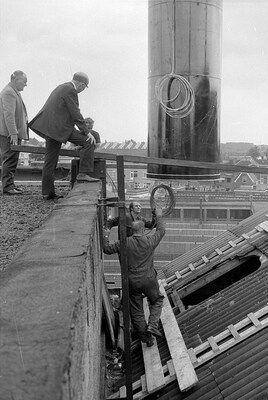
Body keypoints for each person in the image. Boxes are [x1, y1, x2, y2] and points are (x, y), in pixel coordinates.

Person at [29, 72, 99, 200]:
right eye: (84, 87)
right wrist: (87, 132)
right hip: (60, 128)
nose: (83, 90)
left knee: (50, 162)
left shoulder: (61, 87)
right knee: (89, 141)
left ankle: (47, 193)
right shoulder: (71, 90)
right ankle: (83, 174)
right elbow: (75, 113)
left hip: (51, 129)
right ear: (81, 84)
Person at [103, 208, 165, 347]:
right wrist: (159, 216)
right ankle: (153, 325)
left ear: (133, 230)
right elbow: (161, 231)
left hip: (131, 281)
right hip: (148, 279)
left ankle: (147, 339)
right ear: (143, 230)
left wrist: (106, 234)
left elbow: (106, 249)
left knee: (136, 311)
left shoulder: (124, 243)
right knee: (157, 300)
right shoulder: (149, 241)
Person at [0, 71, 28, 195]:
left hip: (11, 133)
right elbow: (9, 115)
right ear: (15, 79)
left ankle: (10, 185)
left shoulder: (13, 92)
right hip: (9, 134)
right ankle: (7, 187)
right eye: (24, 81)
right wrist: (13, 133)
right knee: (10, 159)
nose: (26, 84)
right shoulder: (9, 92)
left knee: (12, 159)